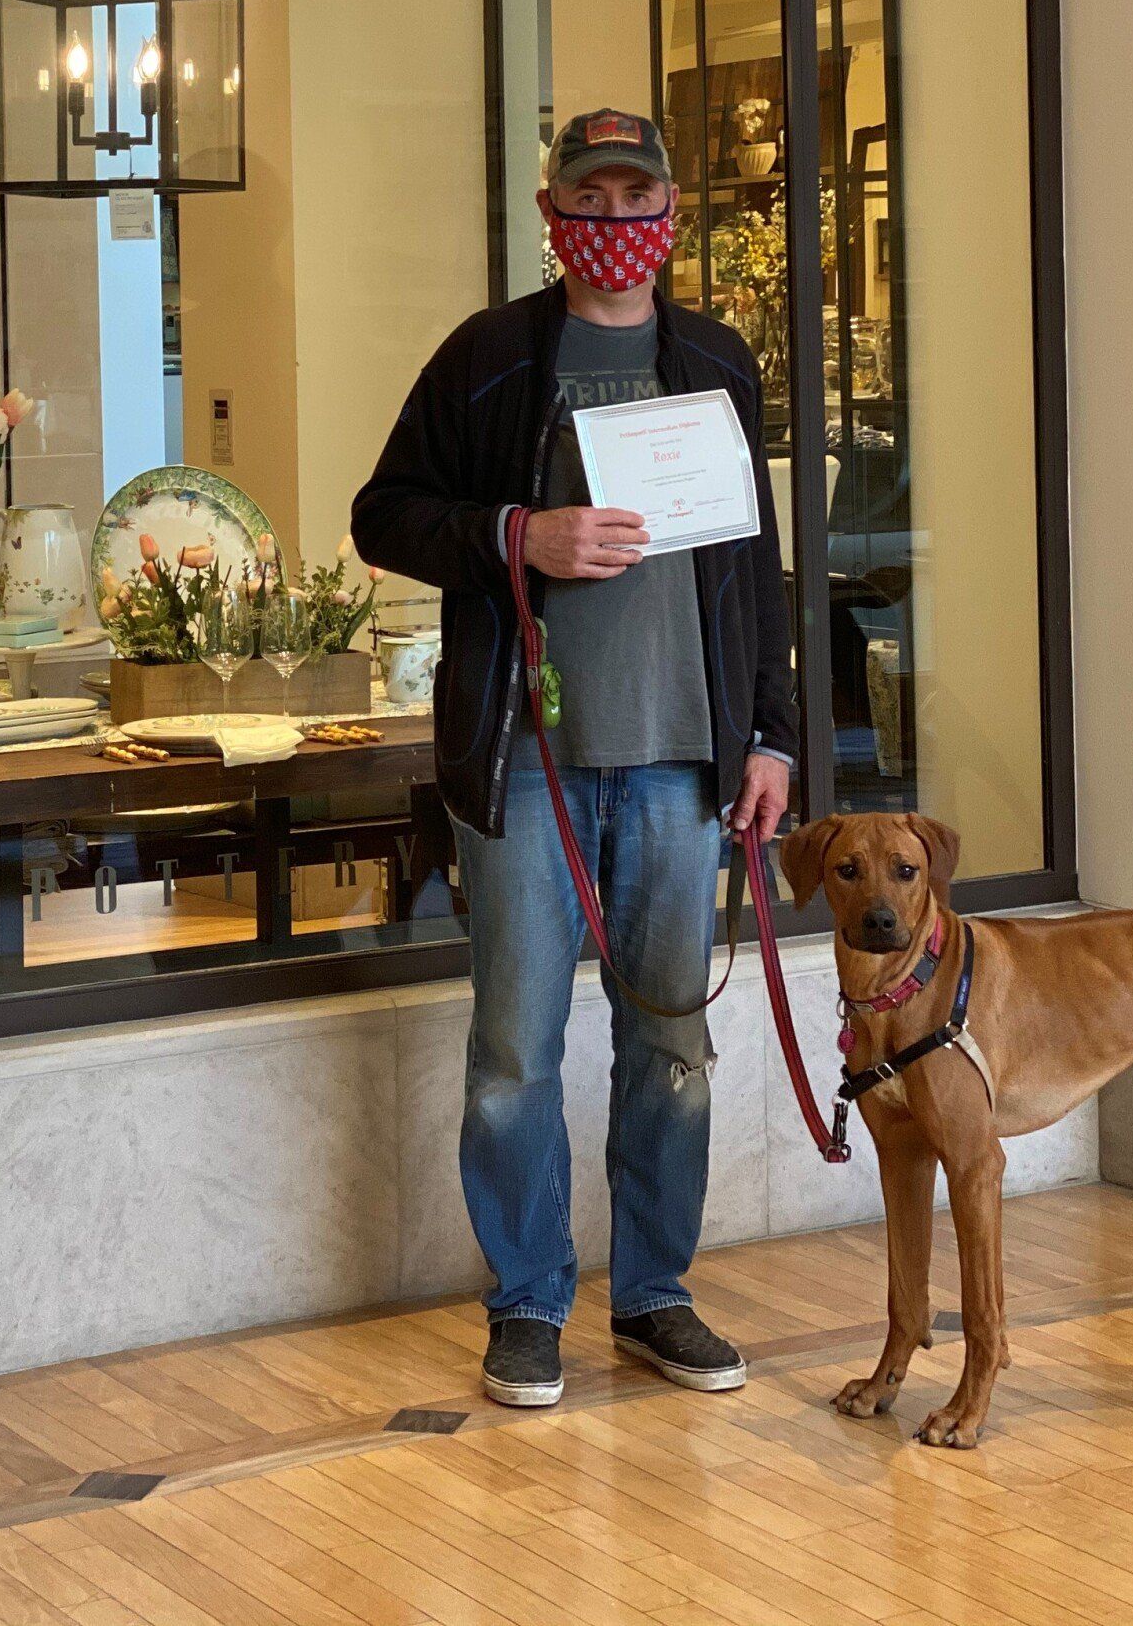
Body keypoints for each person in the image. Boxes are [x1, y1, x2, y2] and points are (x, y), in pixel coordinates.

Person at [352, 107, 796, 1407]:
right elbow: (385, 515)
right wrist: (516, 535)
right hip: (526, 765)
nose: (613, 222)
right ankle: (528, 1303)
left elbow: (755, 565)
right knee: (515, 1052)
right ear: (552, 214)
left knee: (673, 1048)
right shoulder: (488, 358)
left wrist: (772, 733)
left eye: (634, 198)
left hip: (683, 767)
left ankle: (654, 1295)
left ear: (669, 212)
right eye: (588, 199)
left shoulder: (715, 361)